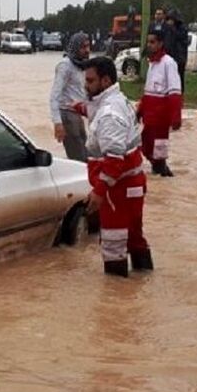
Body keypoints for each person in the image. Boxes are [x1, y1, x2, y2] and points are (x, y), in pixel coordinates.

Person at [83, 56, 150, 277]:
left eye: (90, 81)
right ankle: (144, 282)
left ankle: (117, 302)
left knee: (113, 246)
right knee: (133, 238)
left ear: (104, 81)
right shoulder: (118, 100)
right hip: (131, 185)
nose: (86, 85)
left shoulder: (110, 113)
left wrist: (99, 191)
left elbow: (113, 160)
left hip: (117, 191)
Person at [136, 27, 183, 177]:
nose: (149, 45)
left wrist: (176, 117)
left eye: (152, 42)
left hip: (161, 118)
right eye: (148, 42)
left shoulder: (169, 63)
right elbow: (148, 91)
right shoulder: (152, 64)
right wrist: (139, 111)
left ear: (161, 44)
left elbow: (175, 92)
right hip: (149, 117)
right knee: (146, 145)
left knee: (159, 150)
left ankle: (164, 174)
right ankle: (159, 171)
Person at [49, 32, 91, 162]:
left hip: (78, 115)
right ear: (75, 48)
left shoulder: (81, 66)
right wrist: (57, 123)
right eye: (83, 47)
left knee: (86, 153)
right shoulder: (65, 66)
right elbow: (54, 95)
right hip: (67, 115)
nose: (87, 50)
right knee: (78, 158)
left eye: (88, 46)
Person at [164, 9, 190, 92]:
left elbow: (180, 37)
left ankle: (179, 93)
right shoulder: (167, 29)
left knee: (179, 77)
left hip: (179, 57)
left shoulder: (182, 28)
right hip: (169, 55)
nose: (169, 21)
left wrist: (172, 28)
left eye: (171, 19)